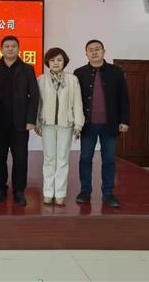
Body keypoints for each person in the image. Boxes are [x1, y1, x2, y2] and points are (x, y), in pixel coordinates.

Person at [74, 39, 130, 208]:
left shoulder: (116, 71)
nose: (94, 52)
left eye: (97, 49)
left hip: (110, 124)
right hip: (87, 124)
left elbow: (124, 98)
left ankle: (108, 193)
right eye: (90, 50)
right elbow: (74, 100)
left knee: (109, 159)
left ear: (104, 52)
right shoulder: (79, 73)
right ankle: (85, 191)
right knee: (85, 158)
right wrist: (75, 123)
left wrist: (124, 120)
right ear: (86, 53)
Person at [0, 35, 39, 206]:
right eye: (7, 46)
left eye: (13, 46)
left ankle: (19, 191)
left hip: (20, 123)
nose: (10, 49)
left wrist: (31, 119)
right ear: (1, 49)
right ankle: (0, 189)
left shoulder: (27, 69)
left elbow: (34, 96)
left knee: (20, 159)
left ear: (18, 49)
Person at [35, 47, 84, 205]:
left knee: (62, 159)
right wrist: (37, 122)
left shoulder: (72, 80)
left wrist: (78, 124)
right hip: (47, 124)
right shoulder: (41, 80)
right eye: (52, 60)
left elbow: (78, 103)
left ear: (64, 62)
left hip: (66, 124)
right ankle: (48, 192)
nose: (55, 63)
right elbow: (37, 103)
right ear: (47, 62)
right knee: (49, 159)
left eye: (59, 60)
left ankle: (60, 193)